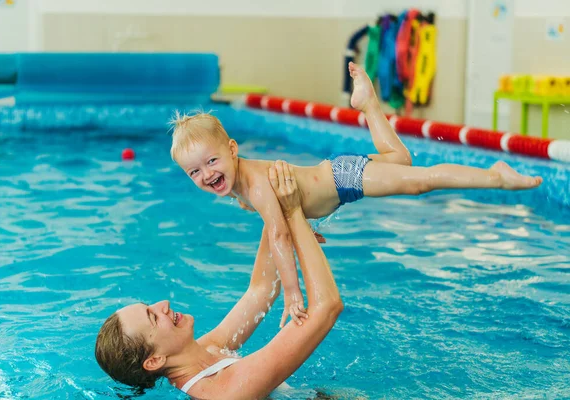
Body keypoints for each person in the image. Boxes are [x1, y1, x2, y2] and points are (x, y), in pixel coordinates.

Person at [169, 62, 543, 327]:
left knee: (419, 180)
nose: (207, 174)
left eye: (212, 161)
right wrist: (306, 230)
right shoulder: (238, 188)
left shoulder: (254, 182)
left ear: (233, 149)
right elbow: (283, 219)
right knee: (401, 160)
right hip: (340, 178)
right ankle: (367, 104)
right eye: (195, 171)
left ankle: (495, 176)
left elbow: (279, 233)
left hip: (341, 177)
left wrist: (293, 294)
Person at [95, 161, 344, 399]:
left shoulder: (204, 351)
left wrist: (268, 201)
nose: (163, 304)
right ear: (155, 360)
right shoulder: (226, 390)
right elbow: (326, 308)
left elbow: (261, 290)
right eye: (153, 316)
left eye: (149, 305)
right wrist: (293, 214)